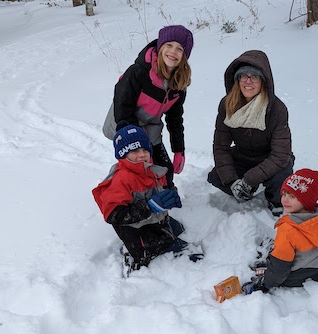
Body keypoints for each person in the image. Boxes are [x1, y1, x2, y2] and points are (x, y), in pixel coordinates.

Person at [92, 123, 200, 275]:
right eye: (135, 151)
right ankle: (136, 255)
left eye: (145, 150)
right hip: (135, 229)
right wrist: (149, 207)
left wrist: (170, 194)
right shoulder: (121, 179)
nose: (142, 154)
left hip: (152, 219)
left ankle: (162, 231)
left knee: (175, 228)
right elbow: (114, 215)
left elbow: (160, 188)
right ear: (123, 154)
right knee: (159, 244)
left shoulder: (150, 170)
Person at [103, 25, 194, 189]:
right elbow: (123, 104)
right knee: (137, 170)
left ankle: (163, 200)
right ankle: (121, 199)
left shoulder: (178, 84)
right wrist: (139, 145)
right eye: (169, 45)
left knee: (165, 171)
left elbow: (175, 119)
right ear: (160, 46)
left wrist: (179, 150)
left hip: (151, 127)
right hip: (124, 125)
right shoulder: (139, 72)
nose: (173, 52)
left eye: (180, 48)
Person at [207, 50, 294, 217]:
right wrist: (233, 181)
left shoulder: (276, 108)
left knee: (282, 180)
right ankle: (244, 192)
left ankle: (275, 203)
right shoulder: (227, 105)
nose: (248, 81)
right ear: (237, 79)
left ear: (263, 81)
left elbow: (280, 155)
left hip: (271, 159)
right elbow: (220, 147)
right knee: (217, 176)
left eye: (254, 76)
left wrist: (249, 179)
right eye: (243, 76)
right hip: (243, 156)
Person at [241, 168, 318, 294]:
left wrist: (265, 284)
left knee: (275, 256)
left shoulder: (288, 229)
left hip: (294, 278)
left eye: (292, 196)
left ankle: (265, 263)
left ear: (306, 200)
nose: (285, 200)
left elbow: (280, 268)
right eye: (284, 194)